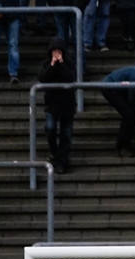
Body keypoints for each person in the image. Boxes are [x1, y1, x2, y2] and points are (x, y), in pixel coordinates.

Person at [38, 37, 76, 174]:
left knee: (66, 134)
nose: (57, 53)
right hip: (52, 103)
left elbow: (70, 77)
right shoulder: (46, 64)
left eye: (59, 51)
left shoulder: (69, 63)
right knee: (50, 128)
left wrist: (62, 63)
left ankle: (62, 160)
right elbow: (42, 78)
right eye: (54, 51)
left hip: (67, 104)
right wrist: (52, 65)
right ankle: (55, 152)